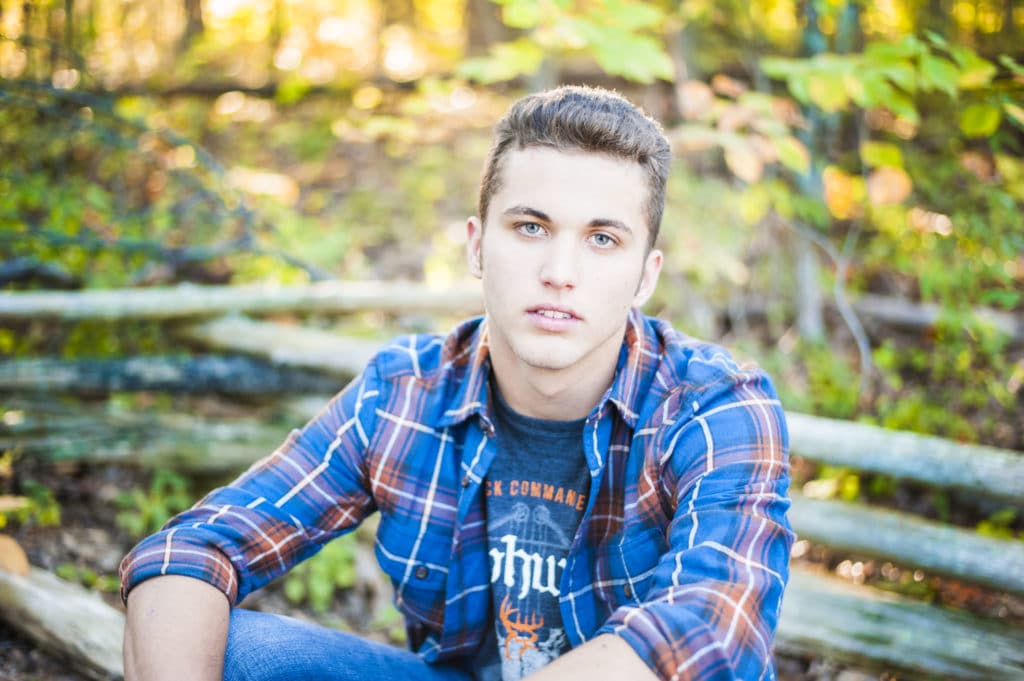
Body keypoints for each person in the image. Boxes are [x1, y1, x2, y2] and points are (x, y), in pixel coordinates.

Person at [120, 85, 794, 681]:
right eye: (531, 227)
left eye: (602, 239)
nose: (560, 270)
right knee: (240, 651)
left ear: (646, 275)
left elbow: (712, 626)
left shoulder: (715, 404)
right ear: (477, 246)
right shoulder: (406, 393)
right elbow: (196, 545)